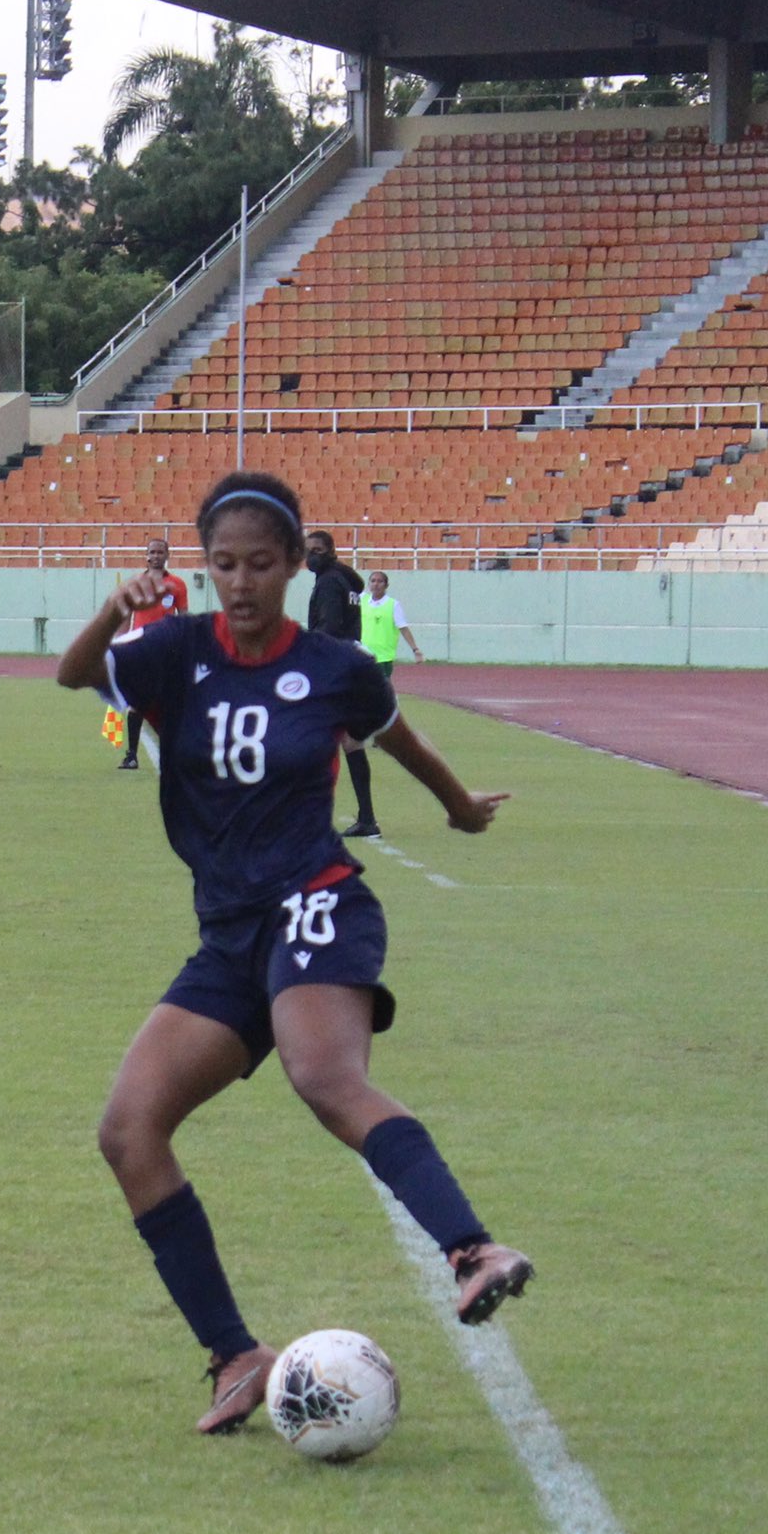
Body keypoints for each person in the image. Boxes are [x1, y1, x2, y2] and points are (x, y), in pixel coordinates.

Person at [56, 470, 533, 1436]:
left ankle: (473, 1250)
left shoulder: (332, 665)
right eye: (223, 563)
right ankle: (236, 1359)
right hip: (230, 934)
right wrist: (115, 609)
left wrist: (459, 808)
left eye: (260, 564)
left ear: (292, 563)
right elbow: (71, 676)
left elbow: (398, 738)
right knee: (127, 1130)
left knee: (323, 1075)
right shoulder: (172, 650)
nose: (240, 582)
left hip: (316, 903)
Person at [341, 571, 429, 838]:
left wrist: (415, 649)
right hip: (362, 657)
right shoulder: (361, 601)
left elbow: (402, 627)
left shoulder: (393, 605)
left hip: (382, 659)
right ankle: (376, 732)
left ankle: (384, 732)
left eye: (380, 581)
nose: (375, 585)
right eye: (373, 581)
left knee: (382, 697)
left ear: (386, 585)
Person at [304, 529, 376, 837]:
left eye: (317, 551)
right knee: (350, 742)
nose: (311, 556)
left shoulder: (330, 582)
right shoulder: (346, 580)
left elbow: (329, 628)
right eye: (309, 550)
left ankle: (311, 816)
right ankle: (367, 817)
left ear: (331, 552)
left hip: (334, 667)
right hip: (349, 662)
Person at [114, 536, 188, 769]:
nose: (156, 556)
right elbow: (126, 616)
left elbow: (183, 616)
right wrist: (120, 645)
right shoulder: (135, 583)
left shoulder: (177, 584)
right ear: (146, 556)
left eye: (160, 552)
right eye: (152, 552)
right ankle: (131, 755)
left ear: (167, 556)